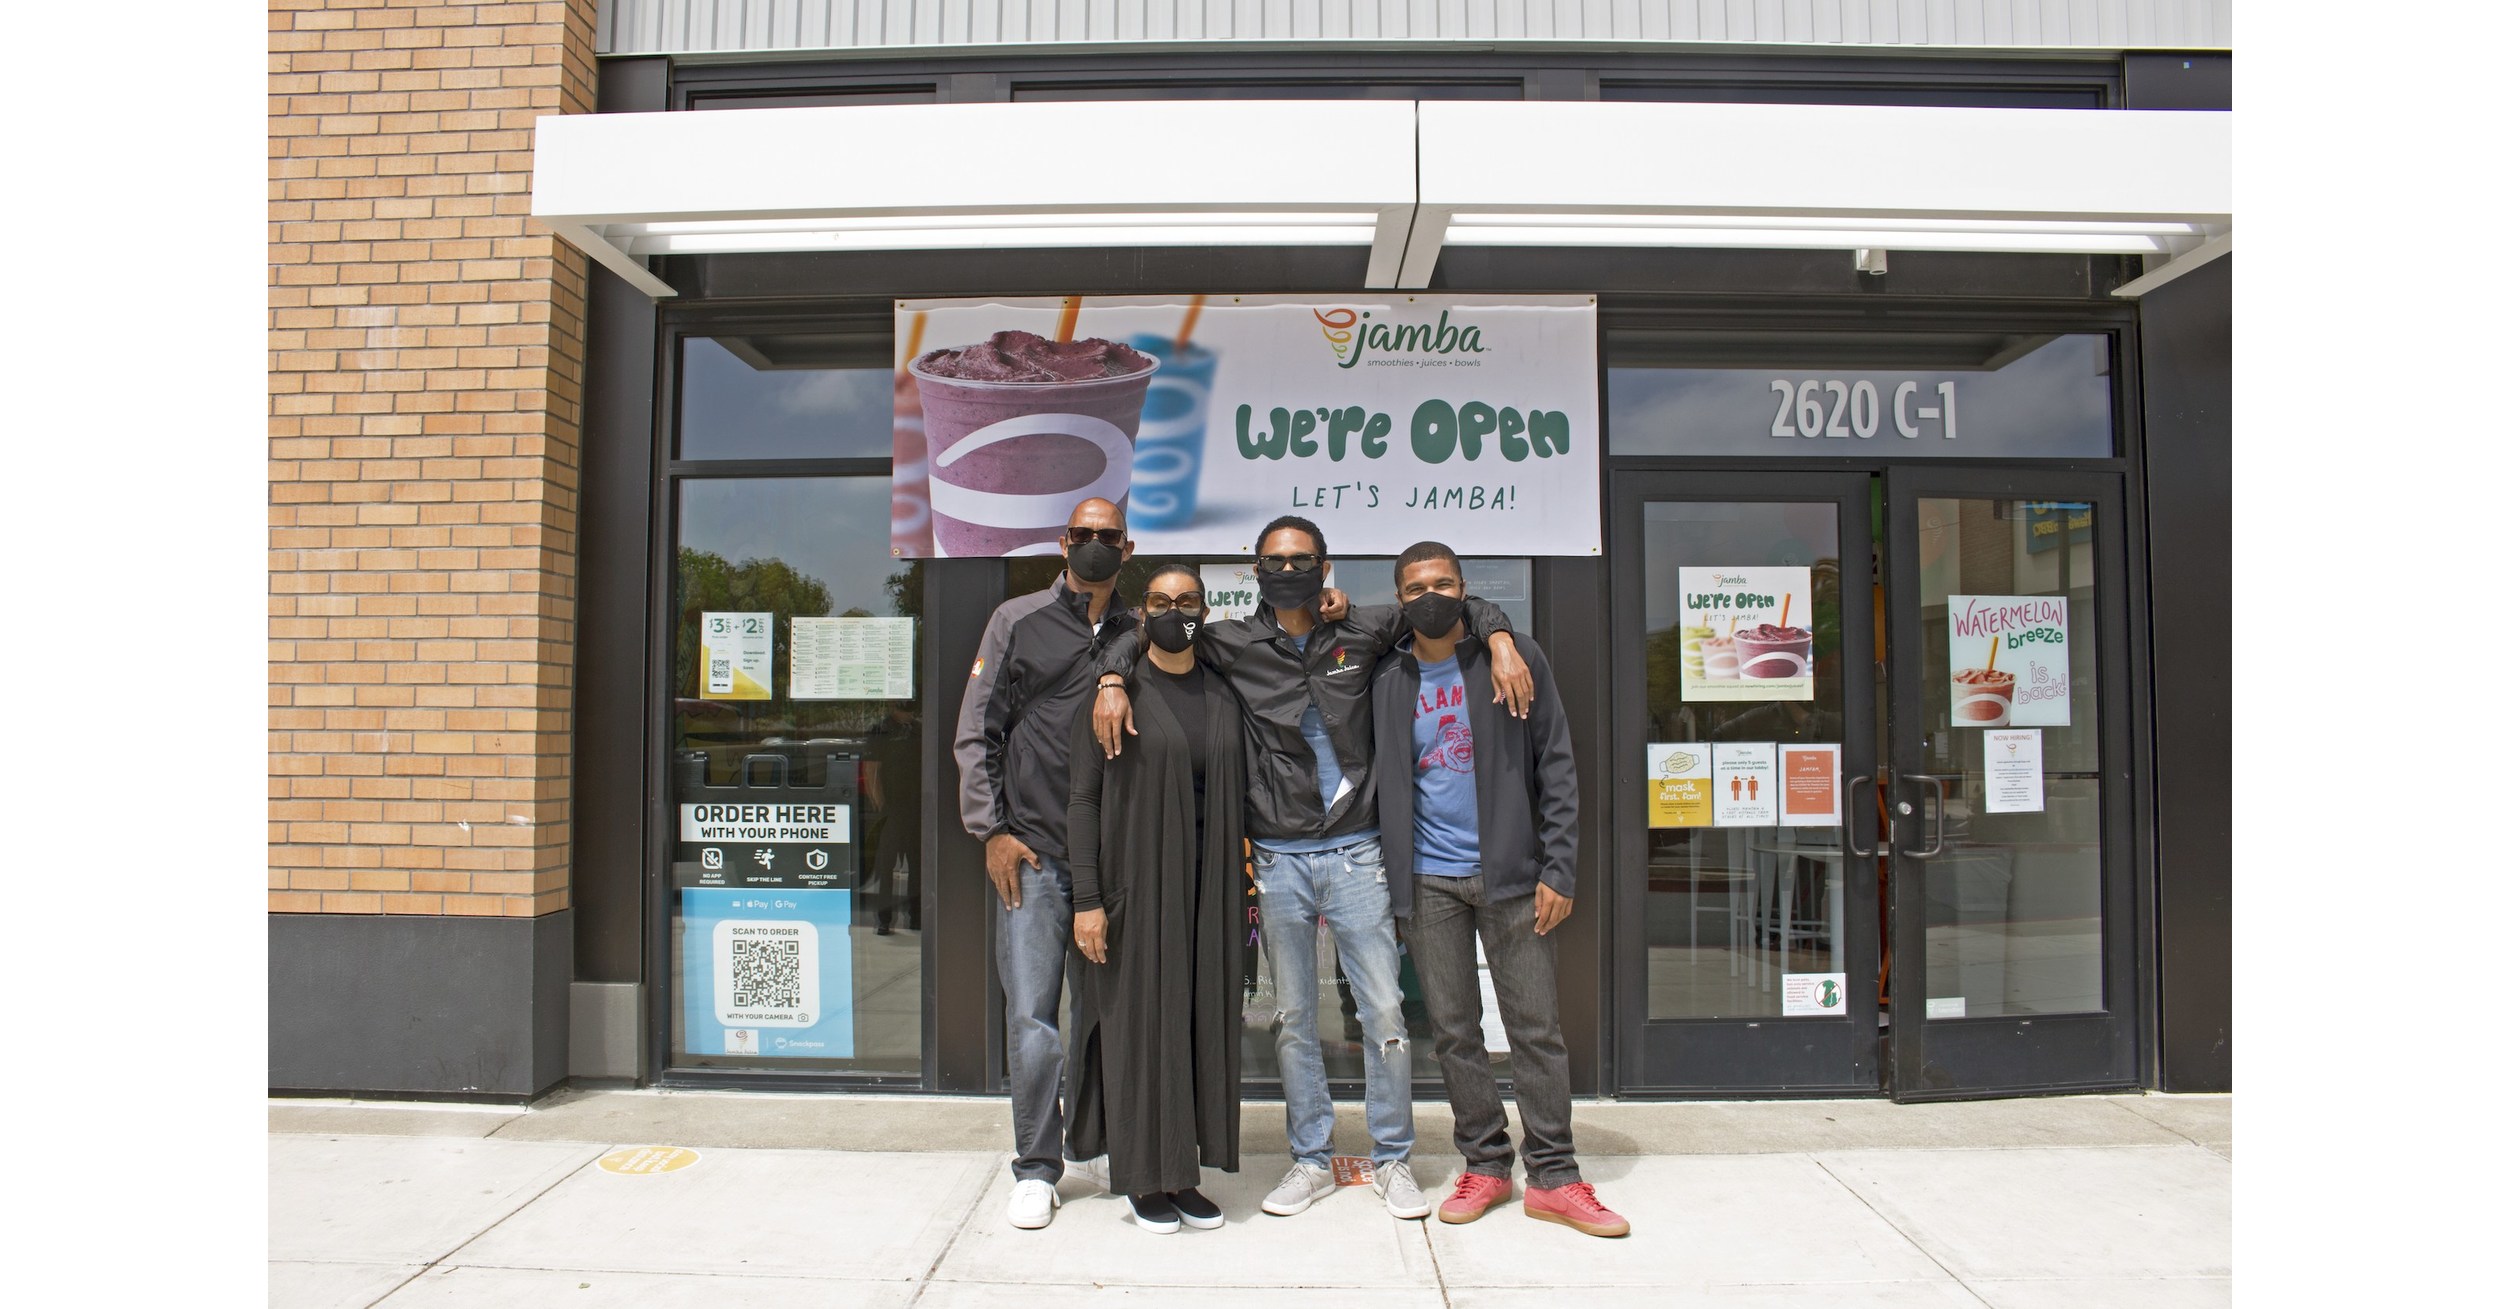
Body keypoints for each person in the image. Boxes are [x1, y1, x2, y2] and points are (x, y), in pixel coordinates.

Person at [1092, 515, 1533, 1222]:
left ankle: (1391, 1157)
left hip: (1357, 849)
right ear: (1256, 567)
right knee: (1294, 1016)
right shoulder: (1231, 640)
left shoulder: (1362, 629)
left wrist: (1504, 637)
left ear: (1324, 566)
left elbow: (1456, 602)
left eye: (1302, 559)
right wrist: (1113, 674)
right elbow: (1146, 628)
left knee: (1385, 1010)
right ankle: (1310, 1155)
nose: (1288, 569)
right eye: (1274, 559)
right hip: (1278, 855)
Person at [1369, 541, 1629, 1238]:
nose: (1431, 594)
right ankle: (1484, 1161)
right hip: (1427, 883)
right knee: (1454, 1032)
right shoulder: (1385, 675)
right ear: (1400, 598)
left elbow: (1559, 766)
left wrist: (1560, 868)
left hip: (1513, 877)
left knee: (1536, 1028)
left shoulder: (1508, 657)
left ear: (1464, 589)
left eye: (1444, 582)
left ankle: (1555, 1172)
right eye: (1417, 585)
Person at [954, 496, 1135, 1229]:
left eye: (1107, 536)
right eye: (1083, 534)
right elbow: (977, 734)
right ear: (1064, 541)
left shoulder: (1135, 627)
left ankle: (1098, 1143)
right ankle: (1036, 1165)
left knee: (1103, 1015)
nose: (1094, 545)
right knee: (1034, 1016)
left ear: (1127, 548)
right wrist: (991, 829)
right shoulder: (1016, 622)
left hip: (1111, 864)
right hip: (1031, 856)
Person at [1063, 563, 1248, 1234]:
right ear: (1144, 614)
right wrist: (1087, 898)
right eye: (1163, 601)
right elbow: (1082, 798)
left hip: (1210, 885)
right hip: (1135, 883)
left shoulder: (1226, 690)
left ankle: (1182, 1170)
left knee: (1197, 1023)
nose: (1176, 610)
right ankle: (1143, 1175)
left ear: (1206, 608)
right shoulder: (1116, 690)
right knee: (1140, 1026)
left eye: (1189, 600)